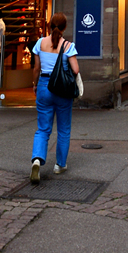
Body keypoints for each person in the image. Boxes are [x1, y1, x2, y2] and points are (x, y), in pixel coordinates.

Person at [30, 12, 79, 183]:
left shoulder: (40, 43)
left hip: (44, 86)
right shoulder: (68, 46)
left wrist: (35, 85)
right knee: (64, 129)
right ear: (65, 27)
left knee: (43, 128)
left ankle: (37, 159)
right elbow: (76, 70)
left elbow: (36, 68)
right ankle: (60, 164)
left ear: (50, 25)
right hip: (62, 89)